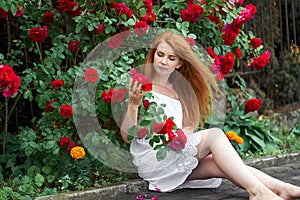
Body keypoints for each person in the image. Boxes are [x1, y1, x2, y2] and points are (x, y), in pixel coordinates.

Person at [120, 31, 300, 200]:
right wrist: (134, 105)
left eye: (171, 58)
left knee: (219, 163)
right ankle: (259, 192)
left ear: (179, 64)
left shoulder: (179, 91)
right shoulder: (140, 85)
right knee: (214, 135)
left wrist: (181, 140)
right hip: (153, 160)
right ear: (153, 55)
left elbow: (188, 130)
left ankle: (283, 188)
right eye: (160, 55)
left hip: (173, 155)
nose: (163, 61)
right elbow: (127, 136)